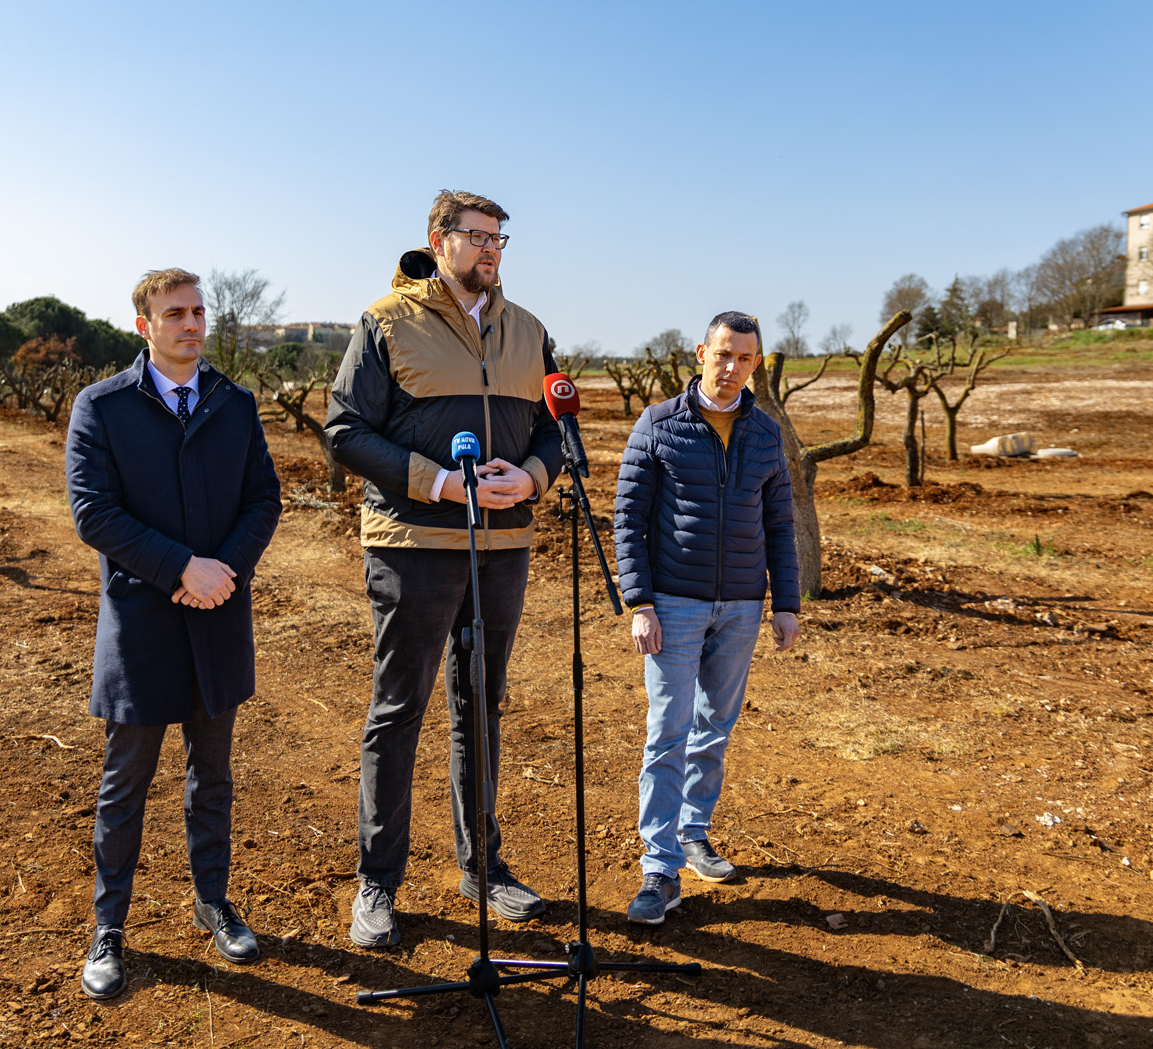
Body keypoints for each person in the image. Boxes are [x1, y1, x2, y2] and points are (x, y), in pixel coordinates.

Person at [326, 190, 564, 948]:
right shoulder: (386, 322)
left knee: (482, 705)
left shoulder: (529, 330)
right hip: (414, 545)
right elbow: (344, 430)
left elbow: (555, 432)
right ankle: (377, 882)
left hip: (503, 548)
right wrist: (440, 483)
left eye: (499, 238)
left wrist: (531, 477)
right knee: (400, 709)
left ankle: (482, 867)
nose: (490, 248)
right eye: (475, 235)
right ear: (439, 240)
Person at [65, 268, 282, 998]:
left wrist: (224, 571)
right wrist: (182, 568)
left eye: (197, 311)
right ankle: (109, 928)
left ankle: (213, 901)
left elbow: (263, 498)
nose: (191, 324)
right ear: (144, 326)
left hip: (219, 615)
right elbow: (94, 512)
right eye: (174, 313)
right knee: (124, 784)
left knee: (212, 775)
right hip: (143, 625)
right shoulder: (102, 406)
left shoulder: (234, 403)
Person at [612, 311, 802, 925]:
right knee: (668, 731)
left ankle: (693, 833)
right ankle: (659, 868)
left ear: (756, 364)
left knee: (714, 728)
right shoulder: (659, 423)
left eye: (745, 358)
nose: (732, 367)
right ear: (701, 353)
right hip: (673, 604)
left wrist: (786, 603)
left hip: (742, 605)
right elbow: (628, 519)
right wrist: (640, 603)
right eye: (723, 354)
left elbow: (780, 524)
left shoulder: (766, 432)